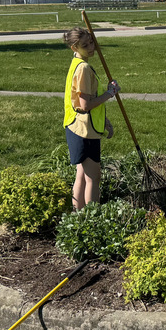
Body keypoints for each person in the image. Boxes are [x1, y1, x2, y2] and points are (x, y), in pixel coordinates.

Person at [62, 28, 118, 211]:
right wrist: (110, 93)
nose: (91, 48)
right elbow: (85, 105)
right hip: (85, 130)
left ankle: (80, 217)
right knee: (93, 178)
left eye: (92, 42)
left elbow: (85, 103)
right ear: (74, 47)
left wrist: (105, 120)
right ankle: (92, 218)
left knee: (82, 175)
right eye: (85, 45)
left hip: (76, 127)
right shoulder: (84, 68)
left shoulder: (77, 64)